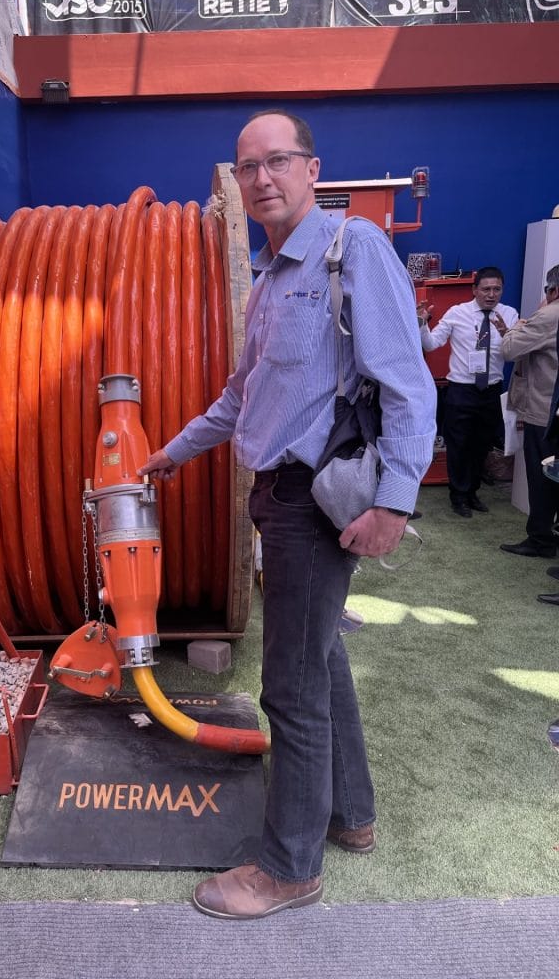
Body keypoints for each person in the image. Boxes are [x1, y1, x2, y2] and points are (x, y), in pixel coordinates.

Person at [138, 110, 436, 920]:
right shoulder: (268, 281)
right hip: (275, 498)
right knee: (321, 658)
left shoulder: (353, 250)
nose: (262, 177)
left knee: (291, 688)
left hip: (314, 502)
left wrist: (395, 501)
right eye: (248, 167)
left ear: (313, 169)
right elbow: (243, 396)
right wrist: (174, 452)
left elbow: (409, 386)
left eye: (278, 161)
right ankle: (351, 814)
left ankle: (289, 867)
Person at [417, 268, 519, 516]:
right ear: (474, 290)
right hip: (461, 390)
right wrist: (421, 324)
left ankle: (472, 492)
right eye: (486, 289)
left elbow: (513, 356)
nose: (491, 294)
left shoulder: (509, 314)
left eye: (496, 289)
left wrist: (507, 335)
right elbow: (431, 344)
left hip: (491, 390)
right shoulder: (457, 313)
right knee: (459, 445)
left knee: (482, 444)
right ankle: (458, 496)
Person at [496, 265, 559, 561]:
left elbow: (509, 350)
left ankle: (541, 539)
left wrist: (518, 327)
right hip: (550, 409)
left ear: (553, 289)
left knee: (542, 477)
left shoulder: (548, 315)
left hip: (544, 412)